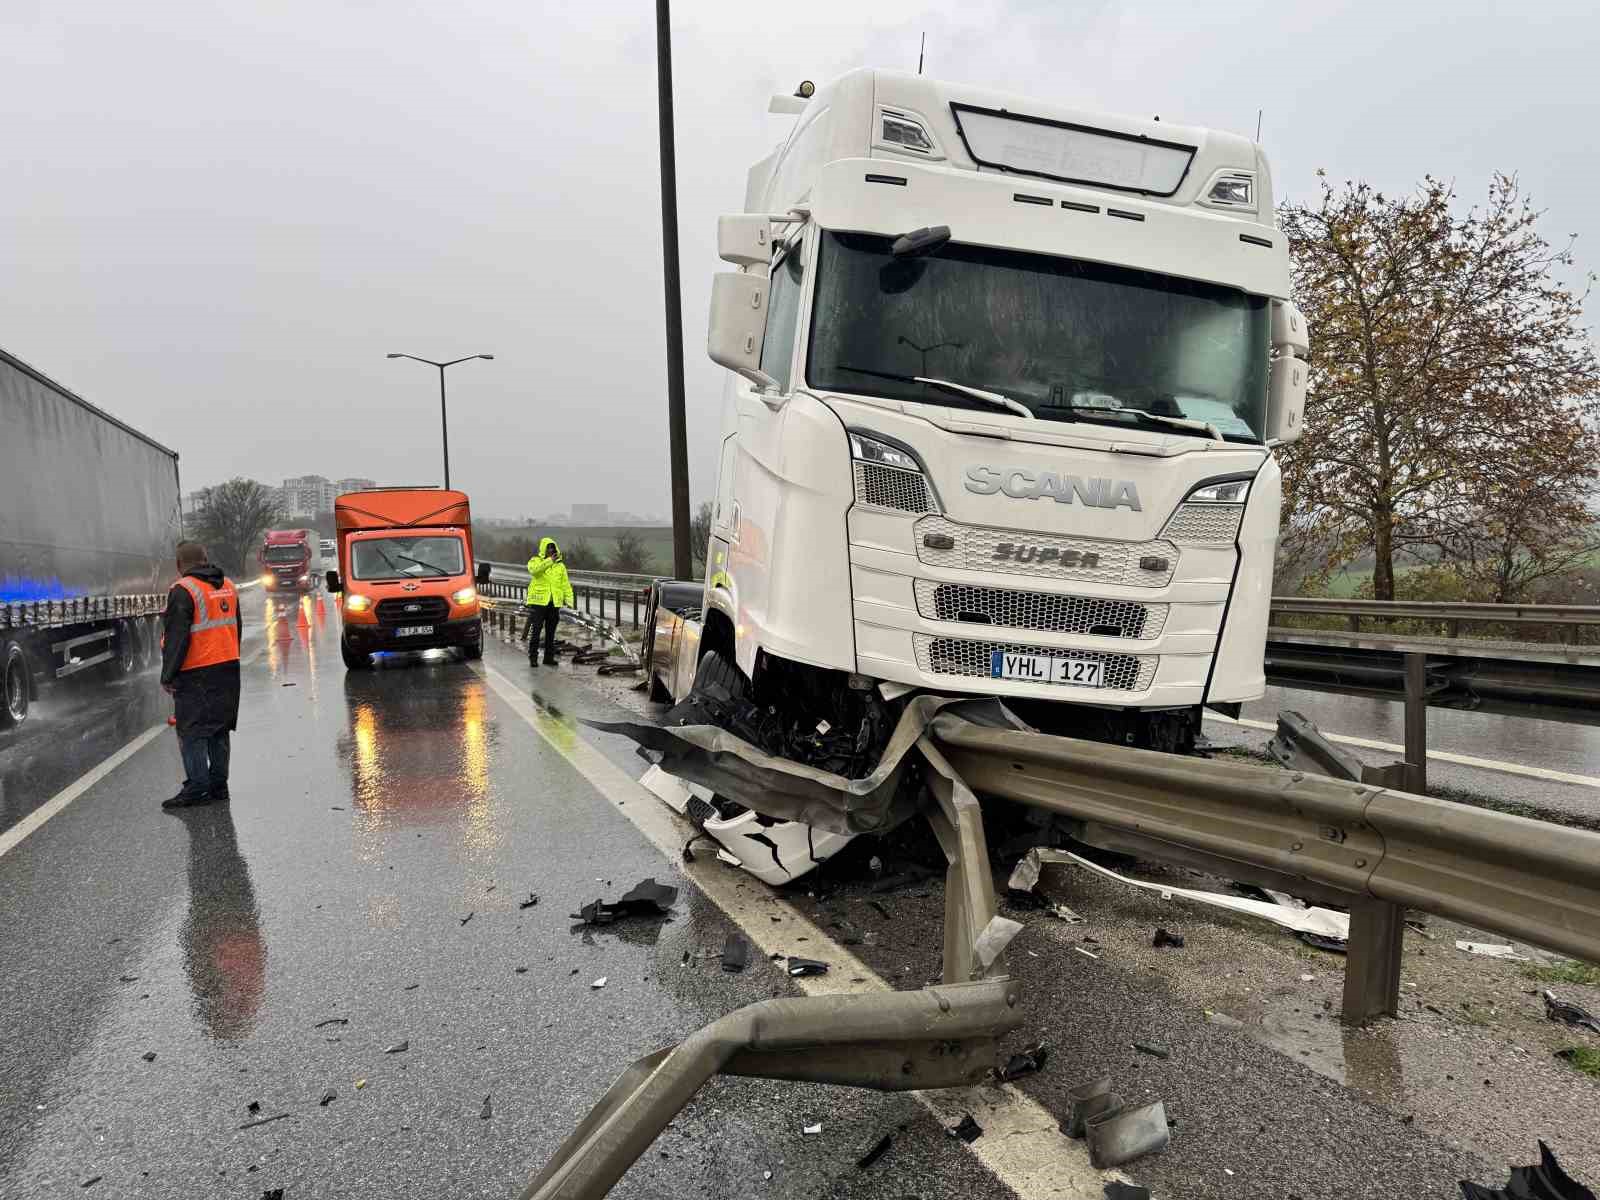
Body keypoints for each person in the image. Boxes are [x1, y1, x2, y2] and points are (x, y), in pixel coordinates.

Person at [160, 540, 242, 809]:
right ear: (205, 558)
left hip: (196, 671)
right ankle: (219, 786)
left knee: (192, 731)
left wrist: (168, 675)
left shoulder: (183, 590)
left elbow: (176, 639)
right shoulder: (228, 586)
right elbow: (236, 628)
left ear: (179, 564)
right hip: (228, 667)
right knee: (219, 728)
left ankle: (197, 787)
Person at [523, 537, 574, 667]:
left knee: (551, 632)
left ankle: (548, 658)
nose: (551, 550)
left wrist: (569, 601)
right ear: (543, 549)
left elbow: (565, 585)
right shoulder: (535, 561)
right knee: (536, 631)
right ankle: (533, 658)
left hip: (553, 604)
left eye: (553, 548)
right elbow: (534, 571)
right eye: (548, 548)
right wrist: (549, 561)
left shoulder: (560, 566)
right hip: (538, 603)